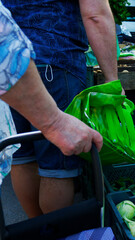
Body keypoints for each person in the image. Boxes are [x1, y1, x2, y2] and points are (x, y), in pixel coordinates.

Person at [2, 0, 118, 218]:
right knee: (57, 165)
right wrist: (112, 79)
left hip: (10, 68)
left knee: (22, 155)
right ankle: (53, 233)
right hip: (56, 61)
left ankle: (36, 228)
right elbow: (95, 15)